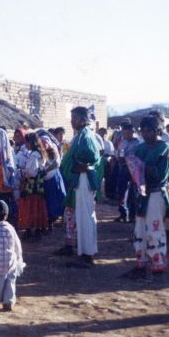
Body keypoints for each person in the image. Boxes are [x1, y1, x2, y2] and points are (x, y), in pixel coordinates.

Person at [123, 116, 169, 279]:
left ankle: (158, 266)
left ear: (158, 131)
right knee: (139, 228)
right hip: (141, 194)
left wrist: (143, 168)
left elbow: (162, 175)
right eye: (143, 131)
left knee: (155, 228)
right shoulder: (140, 149)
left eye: (150, 131)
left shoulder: (165, 149)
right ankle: (140, 264)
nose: (146, 134)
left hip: (155, 193)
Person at [60, 106, 101, 267]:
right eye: (72, 118)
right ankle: (84, 252)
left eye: (75, 118)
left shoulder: (86, 135)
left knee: (86, 217)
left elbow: (94, 156)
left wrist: (82, 166)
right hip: (79, 179)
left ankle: (88, 255)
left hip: (84, 178)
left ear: (83, 120)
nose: (72, 121)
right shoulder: (80, 135)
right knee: (82, 217)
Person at [18, 132, 49, 239]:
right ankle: (37, 229)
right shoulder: (41, 154)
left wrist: (23, 172)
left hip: (31, 185)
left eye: (26, 142)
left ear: (30, 142)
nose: (25, 144)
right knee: (38, 206)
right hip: (39, 185)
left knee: (29, 207)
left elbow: (31, 172)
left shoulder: (33, 156)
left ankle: (29, 229)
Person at [115, 122, 142, 223]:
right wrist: (118, 158)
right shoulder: (122, 142)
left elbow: (139, 157)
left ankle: (132, 215)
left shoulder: (138, 143)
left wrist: (127, 159)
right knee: (121, 191)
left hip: (134, 170)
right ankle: (122, 213)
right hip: (123, 169)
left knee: (133, 192)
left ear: (132, 132)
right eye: (124, 133)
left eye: (128, 133)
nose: (126, 135)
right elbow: (118, 153)